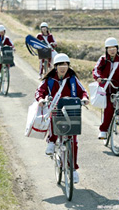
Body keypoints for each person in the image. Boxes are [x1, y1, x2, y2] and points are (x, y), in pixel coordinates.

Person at [35, 53, 89, 183]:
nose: (63, 67)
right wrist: (41, 99)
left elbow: (83, 91)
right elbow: (39, 91)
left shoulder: (73, 79)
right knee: (54, 118)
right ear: (55, 67)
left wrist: (85, 98)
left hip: (71, 111)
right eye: (60, 65)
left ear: (68, 66)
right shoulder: (49, 80)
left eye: (65, 64)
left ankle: (73, 170)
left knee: (74, 142)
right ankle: (52, 141)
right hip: (56, 109)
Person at [92, 37, 119, 139]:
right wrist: (98, 78)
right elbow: (96, 70)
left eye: (114, 48)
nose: (112, 50)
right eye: (109, 48)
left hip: (118, 86)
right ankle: (103, 130)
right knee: (109, 108)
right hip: (105, 87)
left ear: (117, 48)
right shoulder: (103, 59)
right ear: (106, 49)